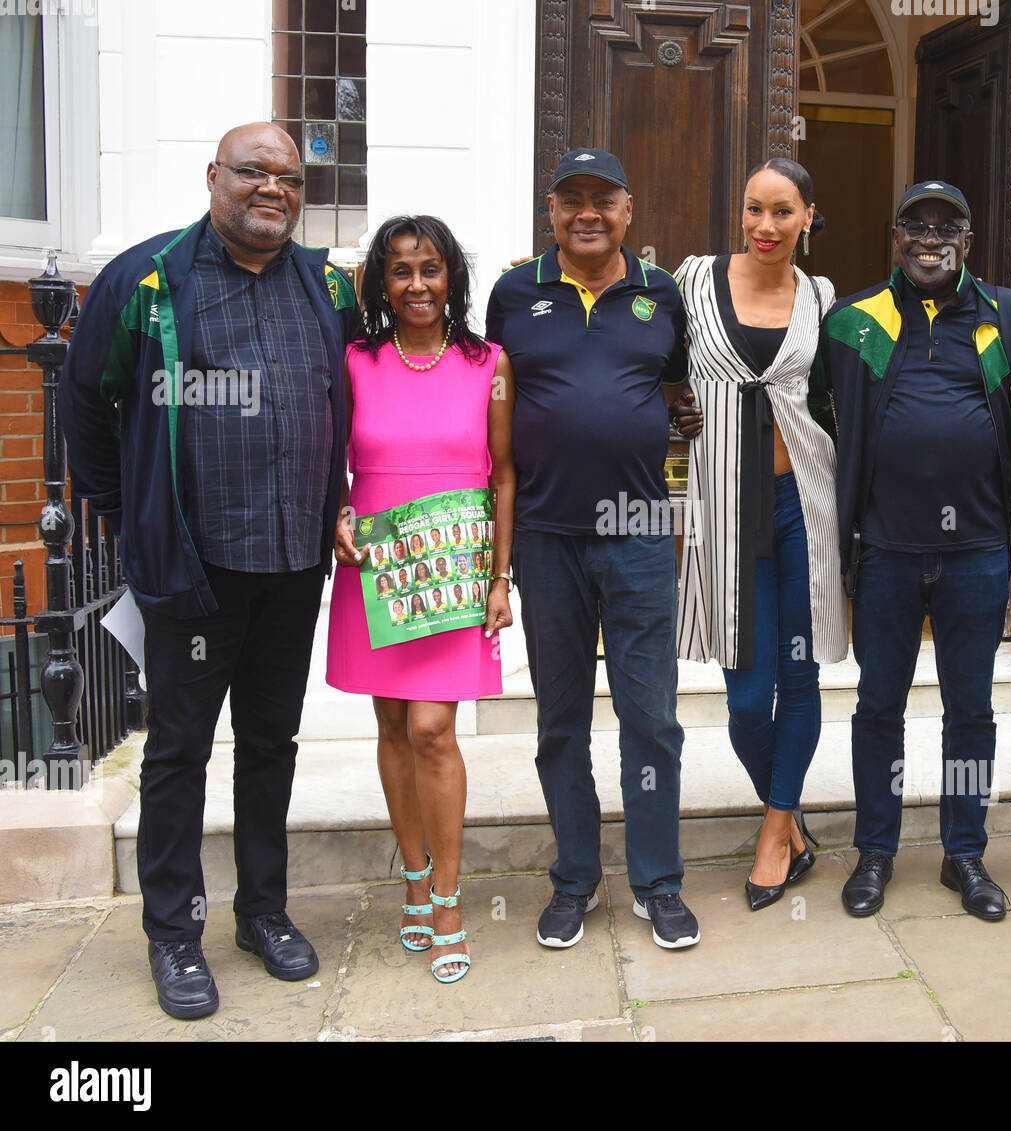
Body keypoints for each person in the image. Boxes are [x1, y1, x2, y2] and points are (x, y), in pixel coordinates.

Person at [60, 122, 356, 1020]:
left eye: (290, 179)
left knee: (271, 745)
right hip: (194, 568)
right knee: (181, 750)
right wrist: (132, 516)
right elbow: (85, 403)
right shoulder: (150, 279)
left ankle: (261, 913)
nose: (273, 190)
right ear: (213, 178)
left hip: (295, 561)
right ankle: (174, 933)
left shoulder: (325, 283)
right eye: (254, 173)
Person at [487, 147, 700, 950]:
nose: (587, 212)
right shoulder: (514, 293)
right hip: (546, 536)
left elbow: (676, 391)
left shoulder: (660, 293)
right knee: (561, 719)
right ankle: (575, 878)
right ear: (551, 210)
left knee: (652, 718)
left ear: (627, 208)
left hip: (641, 534)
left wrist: (678, 434)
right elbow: (494, 399)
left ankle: (658, 881)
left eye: (601, 199)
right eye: (571, 198)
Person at [823, 181, 1011, 922]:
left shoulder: (1007, 315)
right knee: (878, 707)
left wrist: (994, 486)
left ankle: (965, 853)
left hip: (978, 553)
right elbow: (828, 411)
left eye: (945, 224)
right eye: (915, 225)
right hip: (885, 549)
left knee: (970, 708)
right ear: (895, 237)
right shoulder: (854, 320)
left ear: (968, 240)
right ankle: (876, 851)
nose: (929, 237)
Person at [327, 214, 515, 983]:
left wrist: (503, 577)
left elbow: (504, 473)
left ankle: (446, 898)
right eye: (400, 270)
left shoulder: (489, 362)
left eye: (430, 269)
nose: (417, 285)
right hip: (379, 568)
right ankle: (410, 874)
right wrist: (336, 511)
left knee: (435, 728)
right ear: (380, 281)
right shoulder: (355, 360)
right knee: (394, 723)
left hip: (455, 571)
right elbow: (326, 459)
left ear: (452, 277)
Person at [674, 158, 847, 911]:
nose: (765, 227)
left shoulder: (822, 295)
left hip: (802, 501)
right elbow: (650, 370)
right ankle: (791, 823)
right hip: (723, 508)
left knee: (801, 677)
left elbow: (837, 396)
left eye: (782, 212)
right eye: (753, 209)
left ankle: (777, 831)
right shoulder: (689, 280)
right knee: (746, 694)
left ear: (809, 215)